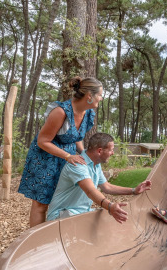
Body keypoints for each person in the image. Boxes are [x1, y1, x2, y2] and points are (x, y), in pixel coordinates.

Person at [18, 77, 103, 227]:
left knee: (61, 201)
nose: (101, 98)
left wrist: (84, 154)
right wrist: (68, 156)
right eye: (100, 95)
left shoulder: (88, 113)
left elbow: (75, 136)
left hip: (68, 157)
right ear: (89, 96)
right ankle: (36, 245)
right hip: (45, 159)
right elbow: (42, 141)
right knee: (41, 204)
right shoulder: (60, 112)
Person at [46, 133, 152, 223]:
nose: (113, 153)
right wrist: (110, 206)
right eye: (111, 150)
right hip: (61, 215)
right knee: (103, 220)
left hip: (79, 213)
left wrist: (134, 190)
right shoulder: (78, 165)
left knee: (106, 220)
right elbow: (91, 191)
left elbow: (107, 187)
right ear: (100, 151)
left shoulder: (96, 165)